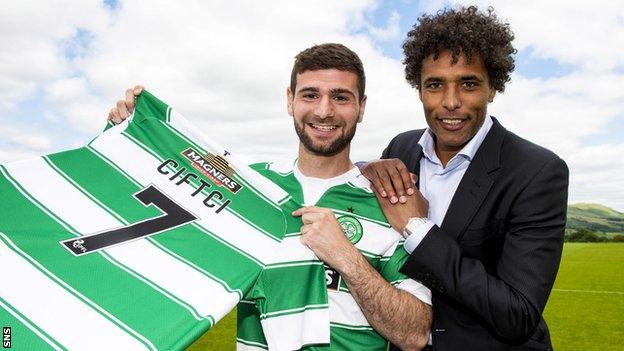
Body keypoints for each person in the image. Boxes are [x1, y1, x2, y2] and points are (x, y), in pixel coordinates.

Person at [106, 44, 432, 350]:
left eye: (341, 98)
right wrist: (128, 137)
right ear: (290, 100)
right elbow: (154, 226)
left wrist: (345, 257)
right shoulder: (248, 187)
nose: (323, 110)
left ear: (361, 107)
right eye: (310, 94)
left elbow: (414, 334)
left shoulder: (390, 199)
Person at [360, 6, 569, 350]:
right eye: (435, 85)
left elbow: (517, 315)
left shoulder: (538, 171)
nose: (450, 102)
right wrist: (367, 169)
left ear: (493, 88)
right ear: (419, 89)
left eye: (468, 84)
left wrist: (417, 228)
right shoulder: (401, 146)